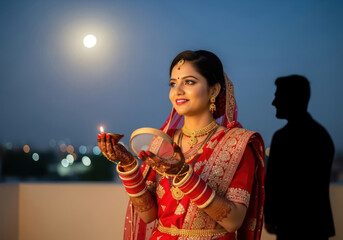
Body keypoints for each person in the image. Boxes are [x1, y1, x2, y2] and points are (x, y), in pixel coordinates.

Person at [98, 50, 265, 240]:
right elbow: (148, 214)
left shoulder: (238, 144)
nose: (177, 91)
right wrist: (128, 166)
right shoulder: (162, 142)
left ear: (213, 90)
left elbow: (233, 221)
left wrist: (184, 176)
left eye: (189, 82)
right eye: (173, 83)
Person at [264, 75, 335, 240]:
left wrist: (271, 216)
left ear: (292, 99)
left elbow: (276, 182)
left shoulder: (283, 138)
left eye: (278, 97)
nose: (274, 103)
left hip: (291, 226)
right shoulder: (321, 135)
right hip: (315, 226)